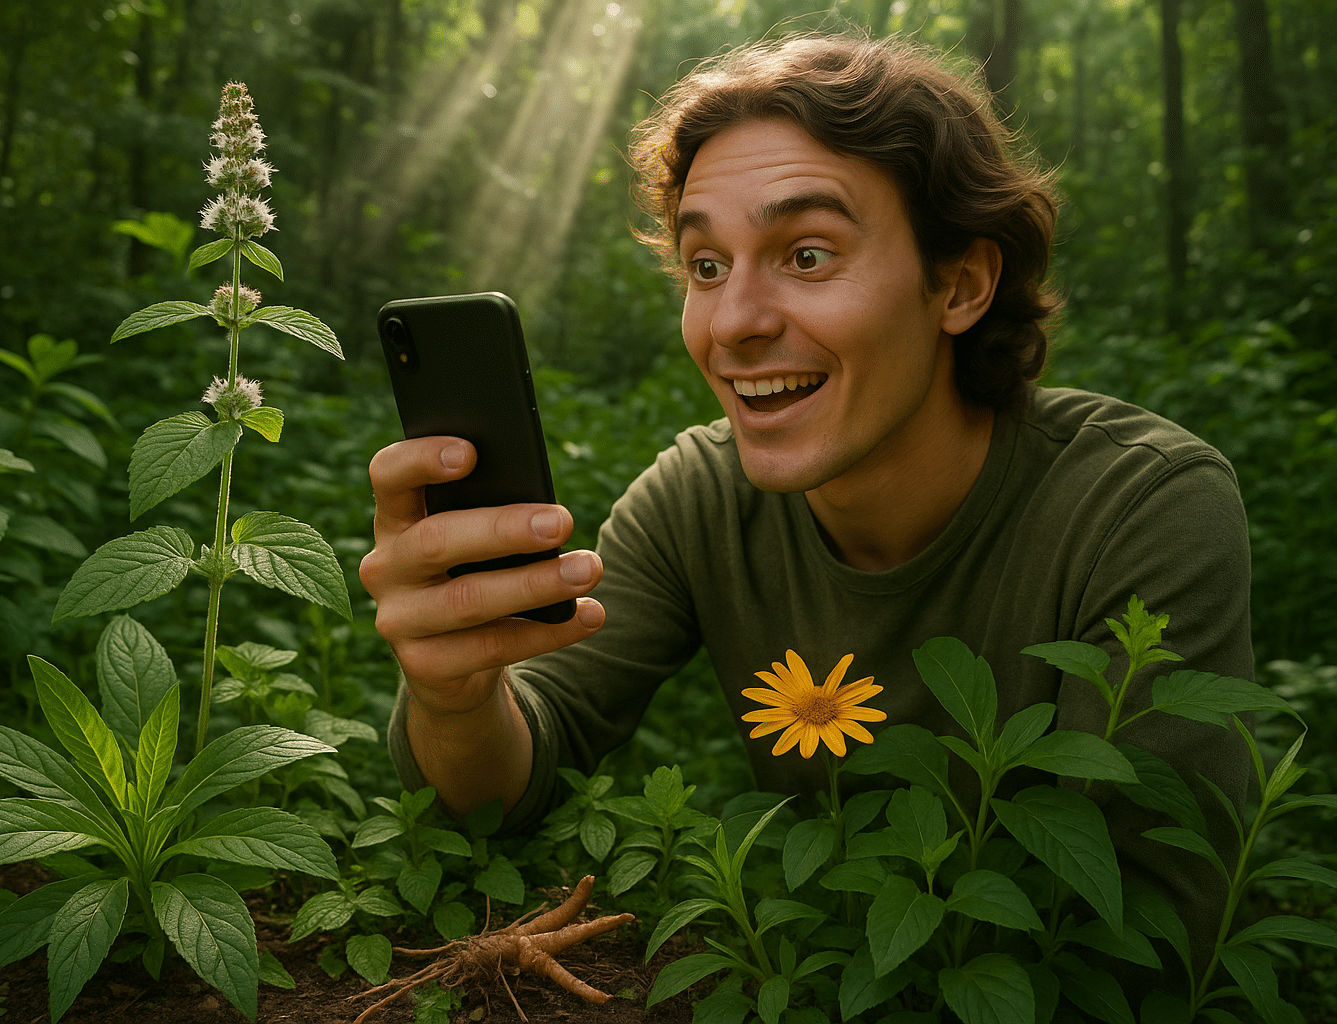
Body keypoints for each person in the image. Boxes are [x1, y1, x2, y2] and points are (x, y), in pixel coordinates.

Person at [358, 31, 1252, 960]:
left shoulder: (1139, 507)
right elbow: (509, 786)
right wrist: (456, 696)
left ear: (960, 284)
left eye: (809, 255)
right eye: (707, 266)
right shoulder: (698, 497)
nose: (735, 323)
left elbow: (1153, 934)